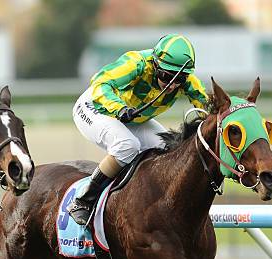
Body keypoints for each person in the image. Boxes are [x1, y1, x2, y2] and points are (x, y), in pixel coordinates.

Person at [69, 34, 209, 225]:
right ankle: (83, 200)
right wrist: (120, 108)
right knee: (127, 145)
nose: (172, 84)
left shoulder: (186, 81)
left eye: (180, 79)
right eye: (166, 76)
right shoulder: (136, 63)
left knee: (169, 149)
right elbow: (99, 83)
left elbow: (208, 106)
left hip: (132, 117)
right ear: (156, 64)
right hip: (95, 108)